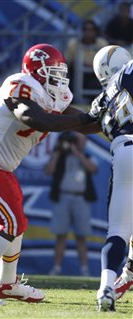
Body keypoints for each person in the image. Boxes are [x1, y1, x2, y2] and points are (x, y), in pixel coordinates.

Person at [0, 43, 103, 305]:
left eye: (60, 70)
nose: (58, 76)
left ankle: (7, 284)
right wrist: (89, 116)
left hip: (0, 166)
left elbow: (86, 126)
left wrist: (108, 119)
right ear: (36, 71)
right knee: (11, 222)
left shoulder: (58, 94)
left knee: (17, 221)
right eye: (51, 70)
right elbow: (40, 121)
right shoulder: (19, 85)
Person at [91, 45, 133, 311]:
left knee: (118, 231)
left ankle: (106, 288)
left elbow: (91, 119)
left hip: (125, 151)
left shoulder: (104, 94)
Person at [45, 131, 97, 276]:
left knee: (82, 236)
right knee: (60, 235)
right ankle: (56, 267)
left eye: (80, 140)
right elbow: (49, 171)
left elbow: (93, 169)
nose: (79, 142)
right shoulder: (60, 156)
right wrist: (57, 151)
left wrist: (77, 153)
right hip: (62, 198)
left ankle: (84, 269)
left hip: (81, 199)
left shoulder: (86, 156)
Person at [65, 20, 108, 101]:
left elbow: (105, 64)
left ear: (96, 31)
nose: (89, 32)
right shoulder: (73, 43)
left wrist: (86, 65)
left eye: (92, 29)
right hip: (76, 76)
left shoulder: (102, 43)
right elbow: (68, 62)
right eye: (86, 29)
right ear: (82, 31)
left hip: (96, 76)